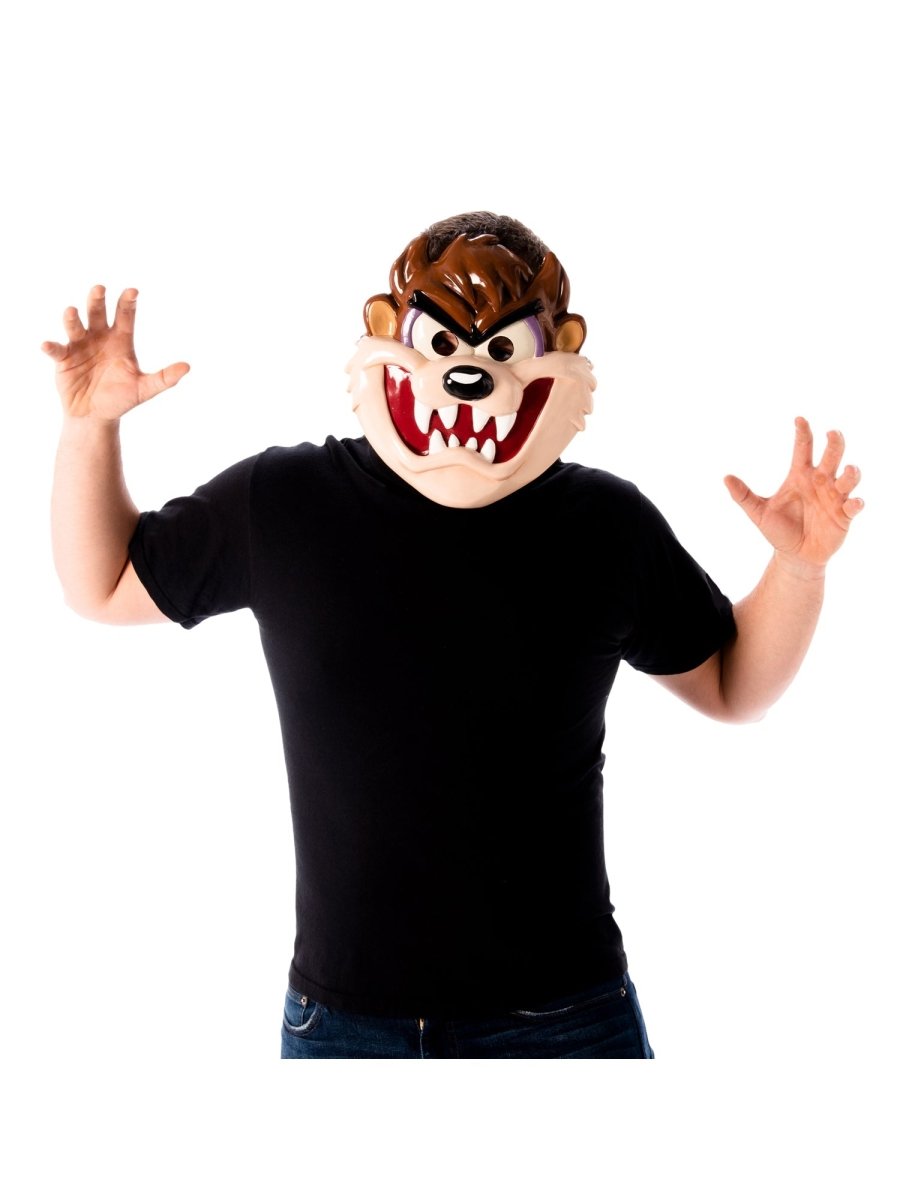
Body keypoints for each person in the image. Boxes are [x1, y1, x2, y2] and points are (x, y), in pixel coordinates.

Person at [46, 213, 863, 1059]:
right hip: (343, 1024)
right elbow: (101, 586)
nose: (469, 373)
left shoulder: (603, 524)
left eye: (502, 348)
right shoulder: (285, 501)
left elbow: (734, 687)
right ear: (385, 333)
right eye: (443, 341)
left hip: (567, 1018)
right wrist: (87, 427)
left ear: (560, 353)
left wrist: (798, 568)